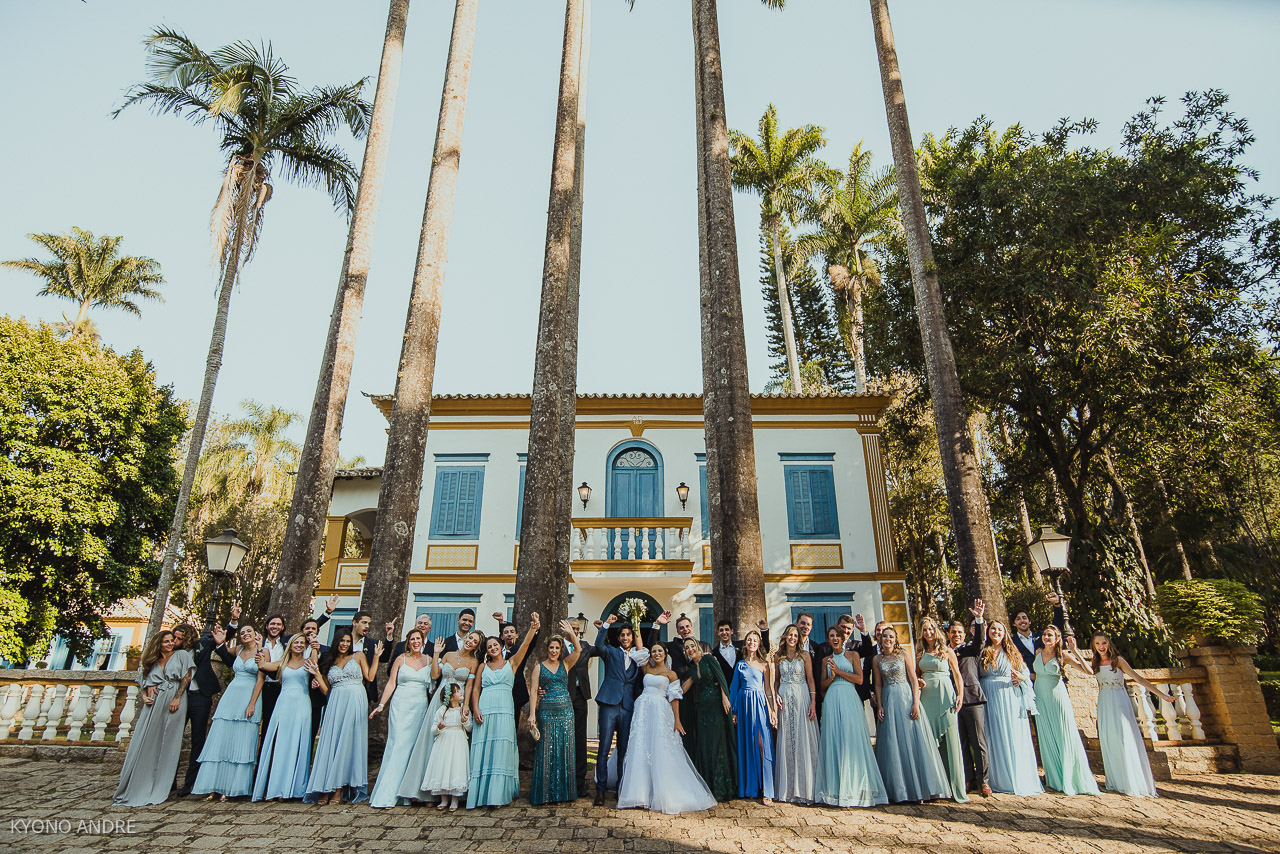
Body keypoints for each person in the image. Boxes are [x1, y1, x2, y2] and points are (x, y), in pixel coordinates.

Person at [617, 643, 717, 814]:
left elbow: (674, 698)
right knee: (641, 747)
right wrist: (638, 618)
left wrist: (677, 720)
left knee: (660, 747)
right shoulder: (647, 668)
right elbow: (640, 645)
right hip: (643, 711)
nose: (656, 653)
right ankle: (639, 794)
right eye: (654, 651)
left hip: (660, 711)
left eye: (659, 651)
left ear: (665, 654)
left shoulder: (671, 674)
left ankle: (663, 792)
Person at [397, 629, 486, 803]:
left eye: (475, 641)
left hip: (456, 703)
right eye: (470, 638)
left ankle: (448, 789)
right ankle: (427, 791)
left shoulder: (473, 662)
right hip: (439, 699)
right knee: (430, 741)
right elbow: (435, 675)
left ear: (476, 646)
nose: (471, 642)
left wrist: (466, 704)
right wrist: (437, 654)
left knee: (450, 746)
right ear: (466, 638)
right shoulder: (449, 654)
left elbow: (469, 685)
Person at [113, 630, 194, 806]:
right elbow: (142, 680)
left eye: (172, 640)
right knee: (146, 739)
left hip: (175, 699)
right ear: (159, 644)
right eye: (166, 641)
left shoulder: (181, 655)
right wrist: (144, 695)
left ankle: (160, 784)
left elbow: (187, 677)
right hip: (154, 702)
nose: (171, 643)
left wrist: (177, 697)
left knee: (168, 740)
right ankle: (139, 781)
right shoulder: (151, 660)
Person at [872, 626, 952, 803]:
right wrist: (879, 705)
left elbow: (914, 680)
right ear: (880, 639)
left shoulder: (904, 654)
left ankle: (919, 789)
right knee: (893, 743)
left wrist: (916, 702)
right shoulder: (877, 659)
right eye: (884, 636)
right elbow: (878, 684)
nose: (888, 639)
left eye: (891, 636)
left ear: (895, 639)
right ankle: (899, 790)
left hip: (906, 697)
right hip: (888, 699)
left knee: (912, 740)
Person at [467, 616, 540, 808]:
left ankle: (498, 794)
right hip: (486, 708)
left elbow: (524, 645)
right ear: (487, 650)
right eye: (489, 646)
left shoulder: (512, 663)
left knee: (501, 748)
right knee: (484, 747)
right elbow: (475, 689)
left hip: (505, 709)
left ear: (501, 646)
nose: (492, 648)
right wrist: (475, 708)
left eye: (495, 645)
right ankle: (482, 792)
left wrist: (533, 628)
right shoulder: (483, 666)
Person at [1089, 632, 1172, 797]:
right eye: (1098, 644)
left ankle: (1132, 780)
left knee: (1124, 738)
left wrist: (1163, 696)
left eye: (1104, 643)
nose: (1101, 647)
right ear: (1094, 646)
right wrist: (1074, 650)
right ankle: (1117, 780)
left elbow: (1139, 679)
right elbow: (1083, 669)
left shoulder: (1118, 661)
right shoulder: (1095, 663)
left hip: (1119, 701)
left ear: (1109, 643)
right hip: (1105, 703)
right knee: (1110, 739)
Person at [306, 627, 382, 805]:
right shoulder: (330, 661)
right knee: (331, 742)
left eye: (348, 641)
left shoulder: (358, 656)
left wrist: (377, 656)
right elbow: (326, 691)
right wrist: (316, 673)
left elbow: (370, 677)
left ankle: (338, 789)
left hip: (355, 700)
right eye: (342, 641)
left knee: (346, 743)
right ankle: (325, 787)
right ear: (337, 642)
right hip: (335, 702)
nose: (345, 644)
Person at [815, 626, 887, 807]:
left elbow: (859, 679)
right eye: (831, 636)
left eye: (837, 635)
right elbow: (822, 686)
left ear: (843, 638)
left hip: (849, 697)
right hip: (832, 699)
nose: (834, 639)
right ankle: (837, 788)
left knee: (852, 739)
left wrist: (839, 672)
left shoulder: (853, 655)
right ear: (828, 640)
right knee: (835, 740)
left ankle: (857, 786)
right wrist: (832, 677)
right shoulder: (826, 660)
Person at [368, 628, 438, 808]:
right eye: (412, 639)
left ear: (423, 641)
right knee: (398, 744)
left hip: (419, 705)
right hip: (400, 704)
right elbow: (392, 683)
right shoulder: (401, 659)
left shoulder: (429, 660)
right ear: (408, 642)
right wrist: (382, 704)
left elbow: (435, 680)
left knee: (414, 747)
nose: (415, 641)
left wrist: (437, 655)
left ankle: (409, 792)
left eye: (418, 639)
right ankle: (388, 792)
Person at [192, 623, 263, 799]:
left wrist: (252, 703)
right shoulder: (237, 650)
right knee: (222, 737)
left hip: (249, 695)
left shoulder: (263, 652)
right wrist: (220, 642)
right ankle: (213, 785)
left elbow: (261, 679)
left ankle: (231, 788)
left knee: (241, 740)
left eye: (249, 631)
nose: (245, 634)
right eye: (242, 632)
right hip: (232, 695)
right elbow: (222, 650)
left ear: (256, 634)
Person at [588, 614, 649, 806]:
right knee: (603, 747)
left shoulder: (639, 658)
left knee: (624, 749)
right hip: (609, 703)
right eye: (622, 635)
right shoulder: (611, 652)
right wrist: (605, 625)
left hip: (628, 706)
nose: (625, 637)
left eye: (628, 635)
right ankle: (601, 790)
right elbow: (598, 646)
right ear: (618, 637)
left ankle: (622, 788)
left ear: (632, 637)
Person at [252, 633, 321, 801]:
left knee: (297, 743)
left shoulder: (308, 662)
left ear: (305, 645)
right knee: (280, 743)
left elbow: (315, 665)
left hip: (302, 705)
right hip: (283, 705)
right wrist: (258, 647)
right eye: (295, 642)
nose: (298, 645)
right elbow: (262, 665)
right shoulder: (282, 663)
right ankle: (275, 787)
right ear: (290, 645)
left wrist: (314, 647)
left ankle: (293, 788)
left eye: (301, 643)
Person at [978, 621, 1043, 796]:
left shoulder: (1012, 652)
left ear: (1004, 632)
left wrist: (1020, 678)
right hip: (988, 698)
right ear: (988, 632)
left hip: (1009, 698)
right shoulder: (983, 652)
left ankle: (1016, 776)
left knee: (1011, 734)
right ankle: (998, 778)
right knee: (993, 736)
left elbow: (1026, 675)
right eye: (993, 629)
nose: (996, 632)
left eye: (999, 629)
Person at [1032, 625, 1098, 795]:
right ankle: (1054, 777)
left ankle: (1070, 778)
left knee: (1063, 734)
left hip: (1057, 698)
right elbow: (1035, 675)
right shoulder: (1038, 652)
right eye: (1045, 634)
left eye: (1050, 635)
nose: (1047, 637)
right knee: (1046, 735)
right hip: (1040, 697)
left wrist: (1075, 652)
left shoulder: (1063, 655)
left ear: (1057, 638)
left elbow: (1089, 671)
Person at [172, 617, 233, 796]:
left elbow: (222, 638)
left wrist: (233, 622)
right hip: (180, 698)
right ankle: (170, 780)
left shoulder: (203, 644)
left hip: (200, 697)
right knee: (174, 738)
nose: (175, 641)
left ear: (188, 638)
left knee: (198, 740)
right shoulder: (173, 651)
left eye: (179, 638)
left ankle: (189, 782)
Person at [527, 621, 584, 805]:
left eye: (556, 648)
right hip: (546, 712)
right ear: (547, 649)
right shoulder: (538, 667)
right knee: (546, 750)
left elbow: (578, 651)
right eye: (551, 647)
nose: (553, 651)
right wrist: (532, 714)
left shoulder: (565, 664)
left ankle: (563, 793)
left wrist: (571, 633)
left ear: (560, 650)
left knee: (565, 750)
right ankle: (545, 793)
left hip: (566, 712)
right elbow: (534, 690)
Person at [915, 617, 968, 803]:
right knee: (930, 742)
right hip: (928, 698)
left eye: (930, 629)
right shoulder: (920, 652)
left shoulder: (947, 651)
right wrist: (919, 683)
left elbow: (958, 675)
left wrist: (960, 694)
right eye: (924, 630)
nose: (928, 632)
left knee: (952, 742)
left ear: (935, 630)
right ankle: (936, 787)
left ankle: (956, 788)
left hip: (946, 695)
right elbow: (916, 675)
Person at [679, 640, 737, 802]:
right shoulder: (691, 669)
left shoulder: (709, 659)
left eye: (692, 646)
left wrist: (725, 698)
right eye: (686, 648)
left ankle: (722, 788)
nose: (690, 649)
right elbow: (684, 690)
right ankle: (707, 785)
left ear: (697, 647)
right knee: (705, 744)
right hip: (702, 709)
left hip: (717, 706)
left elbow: (721, 678)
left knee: (718, 743)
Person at [772, 623, 819, 804]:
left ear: (799, 638)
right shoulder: (778, 657)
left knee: (802, 739)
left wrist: (813, 703)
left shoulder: (805, 656)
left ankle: (806, 788)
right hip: (784, 699)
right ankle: (789, 788)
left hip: (802, 697)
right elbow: (776, 681)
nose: (792, 638)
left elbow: (811, 680)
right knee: (787, 741)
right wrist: (776, 695)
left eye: (795, 636)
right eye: (790, 635)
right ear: (785, 637)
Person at [729, 629, 776, 803]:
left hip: (759, 704)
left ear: (758, 644)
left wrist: (772, 710)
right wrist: (734, 711)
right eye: (749, 640)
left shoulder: (764, 664)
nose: (751, 643)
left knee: (762, 743)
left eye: (755, 640)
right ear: (746, 643)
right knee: (747, 745)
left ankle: (767, 789)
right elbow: (734, 688)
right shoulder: (740, 664)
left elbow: (768, 690)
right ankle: (750, 786)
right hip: (743, 705)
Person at [949, 601, 990, 796]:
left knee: (978, 742)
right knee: (962, 743)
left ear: (964, 634)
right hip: (953, 702)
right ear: (948, 634)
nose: (956, 635)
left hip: (973, 699)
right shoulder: (946, 653)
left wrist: (979, 619)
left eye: (959, 632)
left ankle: (984, 781)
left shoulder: (971, 650)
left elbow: (981, 640)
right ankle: (968, 778)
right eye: (953, 632)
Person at [422, 683, 472, 810]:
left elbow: (470, 728)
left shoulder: (464, 709)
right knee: (443, 767)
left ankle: (455, 800)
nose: (461, 693)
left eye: (460, 690)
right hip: (444, 740)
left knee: (456, 766)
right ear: (450, 697)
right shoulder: (442, 711)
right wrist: (439, 727)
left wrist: (465, 721)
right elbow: (433, 728)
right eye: (457, 691)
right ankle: (443, 799)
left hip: (458, 740)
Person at [564, 628, 595, 795]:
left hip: (581, 695)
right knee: (562, 738)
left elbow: (601, 648)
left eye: (577, 629)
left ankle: (580, 782)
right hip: (562, 696)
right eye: (572, 628)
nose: (575, 631)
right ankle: (563, 779)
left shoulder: (585, 646)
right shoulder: (557, 646)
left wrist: (603, 628)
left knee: (580, 738)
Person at [255, 614, 287, 750]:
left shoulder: (286, 644)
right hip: (257, 686)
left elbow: (308, 631)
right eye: (272, 624)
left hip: (276, 688)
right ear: (267, 626)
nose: (275, 627)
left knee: (269, 726)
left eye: (278, 624)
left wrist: (327, 613)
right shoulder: (259, 643)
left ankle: (265, 761)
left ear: (282, 627)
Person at [300, 617, 330, 745]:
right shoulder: (295, 648)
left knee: (310, 733)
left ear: (317, 632)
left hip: (315, 698)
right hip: (295, 695)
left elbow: (326, 672)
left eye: (313, 629)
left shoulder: (325, 650)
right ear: (302, 631)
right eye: (307, 628)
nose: (310, 631)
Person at [712, 618, 771, 682]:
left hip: (743, 687)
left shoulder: (741, 646)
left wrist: (763, 630)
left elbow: (765, 649)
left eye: (727, 630)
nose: (724, 632)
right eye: (721, 630)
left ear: (732, 631)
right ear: (718, 633)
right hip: (726, 689)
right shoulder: (714, 653)